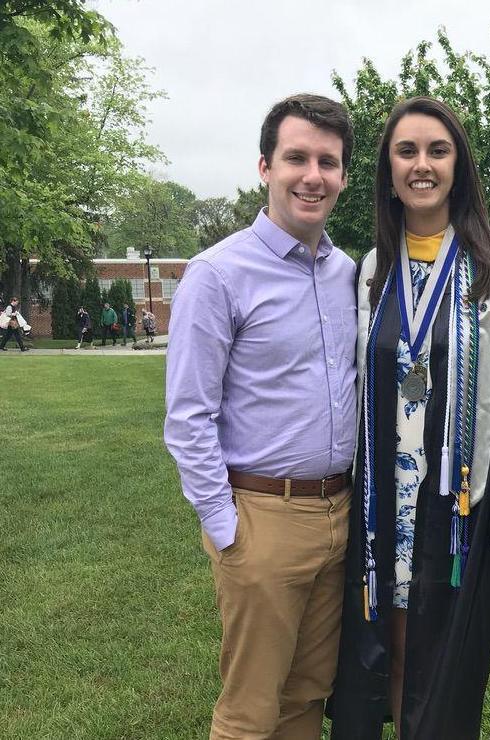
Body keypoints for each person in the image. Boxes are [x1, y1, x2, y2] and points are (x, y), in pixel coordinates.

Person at [329, 97, 490, 740]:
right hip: (384, 506)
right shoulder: (371, 270)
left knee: (448, 665)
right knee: (396, 649)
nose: (422, 165)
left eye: (438, 150)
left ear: (459, 165)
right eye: (406, 152)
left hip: (461, 505)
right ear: (388, 171)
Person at [164, 93, 357, 740]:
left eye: (327, 162)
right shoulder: (217, 276)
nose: (313, 175)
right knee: (251, 711)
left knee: (307, 698)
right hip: (261, 520)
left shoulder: (349, 275)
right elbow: (189, 416)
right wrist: (227, 529)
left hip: (339, 514)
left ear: (344, 177)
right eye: (296, 157)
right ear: (265, 166)